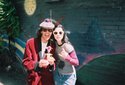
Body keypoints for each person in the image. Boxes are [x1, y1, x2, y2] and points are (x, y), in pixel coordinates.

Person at [22, 18, 56, 85]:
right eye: (45, 30)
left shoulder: (53, 45)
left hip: (47, 81)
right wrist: (37, 64)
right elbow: (25, 62)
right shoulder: (30, 42)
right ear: (41, 31)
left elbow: (53, 65)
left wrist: (52, 64)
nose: (47, 32)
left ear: (52, 32)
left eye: (50, 30)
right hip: (34, 80)